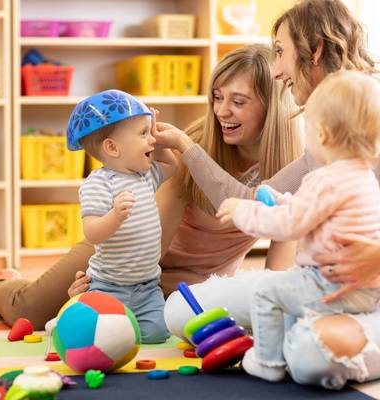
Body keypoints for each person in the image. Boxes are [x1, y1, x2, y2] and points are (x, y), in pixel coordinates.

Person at [0, 44, 302, 329]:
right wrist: (105, 285)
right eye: (217, 97)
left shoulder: (290, 164)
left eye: (238, 101)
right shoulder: (196, 145)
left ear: (271, 107)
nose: (221, 111)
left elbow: (275, 271)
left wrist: (267, 310)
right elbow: (149, 244)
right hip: (125, 257)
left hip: (192, 281)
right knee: (30, 312)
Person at [160, 0, 380, 390]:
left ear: (313, 49)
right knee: (182, 311)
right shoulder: (321, 132)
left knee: (309, 357)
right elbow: (257, 197)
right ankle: (298, 332)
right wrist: (186, 148)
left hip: (368, 295)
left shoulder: (370, 113)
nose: (276, 70)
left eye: (280, 52)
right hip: (316, 283)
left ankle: (309, 338)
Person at [216, 70, 380, 382]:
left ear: (323, 135)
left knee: (266, 290)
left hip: (329, 285)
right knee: (289, 295)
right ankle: (291, 349)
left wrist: (242, 211)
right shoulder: (362, 178)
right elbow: (312, 213)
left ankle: (267, 361)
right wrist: (282, 201)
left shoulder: (326, 179)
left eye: (307, 128)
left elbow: (288, 227)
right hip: (365, 287)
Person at [65, 89, 176, 343]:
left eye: (150, 133)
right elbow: (92, 232)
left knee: (158, 332)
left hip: (147, 286)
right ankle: (66, 320)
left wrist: (155, 134)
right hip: (107, 285)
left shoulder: (146, 174)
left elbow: (173, 166)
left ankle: (124, 326)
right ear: (112, 147)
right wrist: (115, 216)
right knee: (97, 336)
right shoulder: (99, 183)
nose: (152, 141)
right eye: (143, 134)